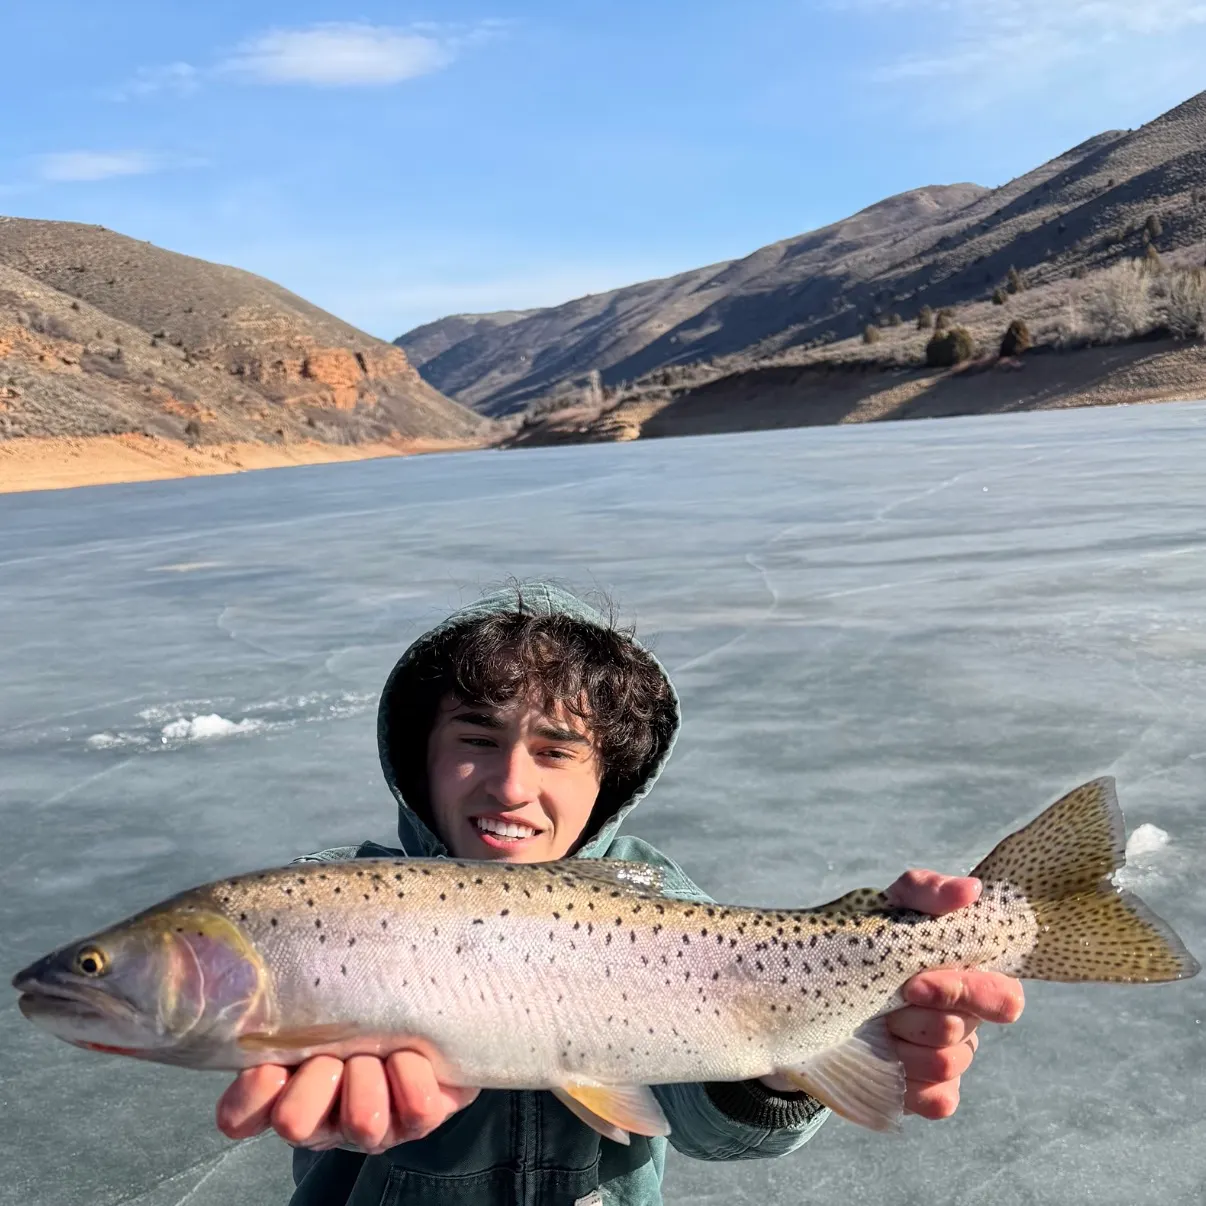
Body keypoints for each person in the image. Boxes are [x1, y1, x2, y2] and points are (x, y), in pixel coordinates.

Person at [216, 583, 1025, 1205]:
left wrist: (794, 1063)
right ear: (415, 756)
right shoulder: (333, 904)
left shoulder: (661, 903)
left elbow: (708, 1124)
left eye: (556, 751)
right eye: (475, 740)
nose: (510, 785)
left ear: (611, 777)